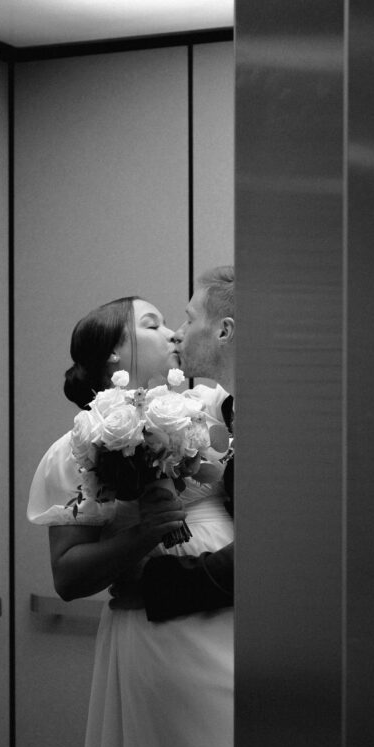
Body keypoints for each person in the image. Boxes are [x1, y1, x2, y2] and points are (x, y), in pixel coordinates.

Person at [27, 295, 233, 747]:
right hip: (163, 632)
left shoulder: (212, 415)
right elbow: (68, 576)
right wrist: (144, 529)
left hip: (235, 613)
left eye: (173, 321)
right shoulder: (76, 450)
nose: (172, 333)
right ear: (116, 353)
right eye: (152, 323)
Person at [112, 265, 236, 621]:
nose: (177, 334)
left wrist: (159, 584)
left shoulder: (272, 413)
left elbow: (276, 548)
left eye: (188, 319)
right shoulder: (226, 407)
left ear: (224, 331)